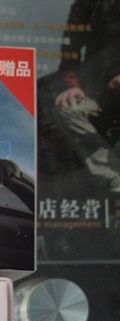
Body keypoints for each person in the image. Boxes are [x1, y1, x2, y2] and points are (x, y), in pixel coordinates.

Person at [50, 0, 120, 192]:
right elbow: (70, 51)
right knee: (68, 108)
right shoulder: (85, 5)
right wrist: (72, 86)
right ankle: (113, 176)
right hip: (97, 94)